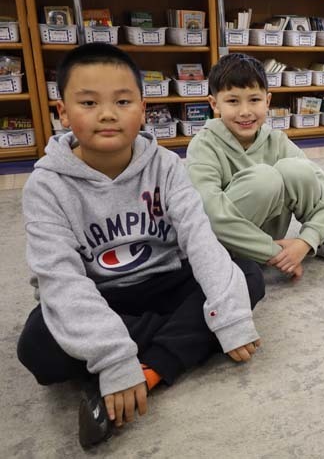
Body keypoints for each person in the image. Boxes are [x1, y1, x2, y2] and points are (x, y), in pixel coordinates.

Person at [16, 43, 266, 449]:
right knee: (38, 344)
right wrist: (112, 354)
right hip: (100, 295)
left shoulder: (166, 166)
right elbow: (60, 280)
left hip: (166, 280)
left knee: (246, 276)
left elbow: (199, 240)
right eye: (89, 102)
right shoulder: (46, 186)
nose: (108, 113)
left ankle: (149, 372)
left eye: (123, 101)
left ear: (143, 109)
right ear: (62, 112)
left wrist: (231, 316)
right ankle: (162, 348)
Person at [186, 53, 324, 276]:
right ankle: (243, 258)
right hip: (224, 245)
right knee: (265, 177)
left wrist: (306, 241)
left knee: (298, 170)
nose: (245, 111)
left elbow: (323, 191)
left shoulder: (276, 140)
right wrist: (275, 253)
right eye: (232, 101)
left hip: (272, 239)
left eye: (254, 100)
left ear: (267, 101)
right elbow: (211, 215)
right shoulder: (203, 145)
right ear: (214, 104)